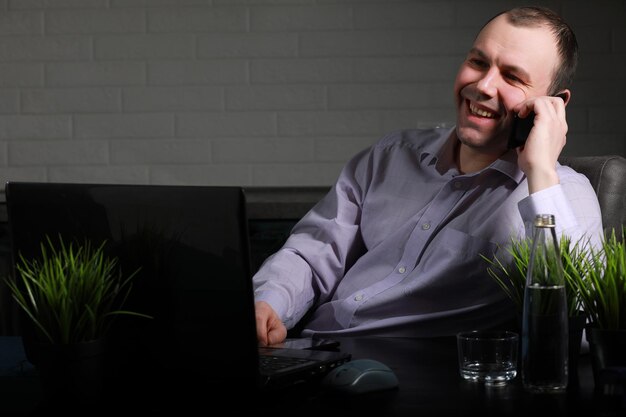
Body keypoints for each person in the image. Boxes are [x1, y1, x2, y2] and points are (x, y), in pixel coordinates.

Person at [253, 6, 604, 346]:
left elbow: (583, 329)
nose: (483, 86)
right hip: (311, 352)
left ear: (554, 104)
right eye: (477, 62)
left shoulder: (564, 194)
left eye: (512, 77)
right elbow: (314, 252)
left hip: (413, 378)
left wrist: (540, 171)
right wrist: (268, 303)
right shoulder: (391, 155)